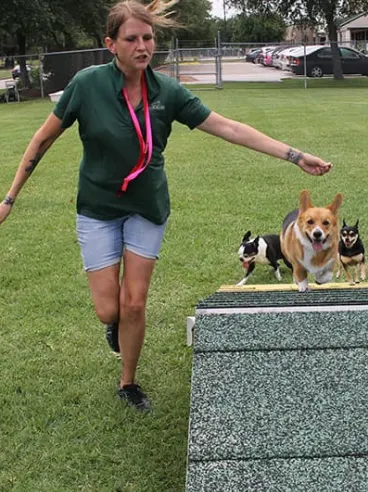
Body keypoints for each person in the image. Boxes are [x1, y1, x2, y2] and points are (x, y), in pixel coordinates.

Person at [0, 0, 332, 412]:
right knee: (110, 309)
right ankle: (115, 325)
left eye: (148, 37)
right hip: (98, 209)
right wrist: (10, 198)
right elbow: (42, 140)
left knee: (135, 301)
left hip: (147, 208)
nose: (142, 46)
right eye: (131, 39)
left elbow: (227, 127)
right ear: (111, 44)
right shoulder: (86, 86)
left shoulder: (167, 92)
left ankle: (128, 383)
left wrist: (295, 155)